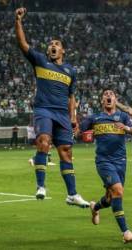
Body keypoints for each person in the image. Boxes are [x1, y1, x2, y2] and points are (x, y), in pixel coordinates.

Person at [15, 7, 89, 207]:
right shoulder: (40, 61)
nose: (53, 46)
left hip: (63, 115)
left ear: (62, 50)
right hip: (44, 110)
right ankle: (41, 186)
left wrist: (73, 116)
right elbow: (22, 44)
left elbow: (72, 95)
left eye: (57, 44)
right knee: (44, 141)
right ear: (48, 51)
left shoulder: (70, 71)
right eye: (51, 45)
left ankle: (72, 194)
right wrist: (19, 21)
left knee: (66, 151)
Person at [80, 89, 132, 243]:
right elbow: (78, 129)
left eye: (111, 94)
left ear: (115, 100)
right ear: (102, 100)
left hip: (121, 161)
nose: (108, 96)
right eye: (105, 94)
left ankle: (95, 207)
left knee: (110, 197)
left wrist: (125, 128)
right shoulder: (95, 117)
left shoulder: (123, 116)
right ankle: (125, 232)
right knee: (118, 191)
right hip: (103, 161)